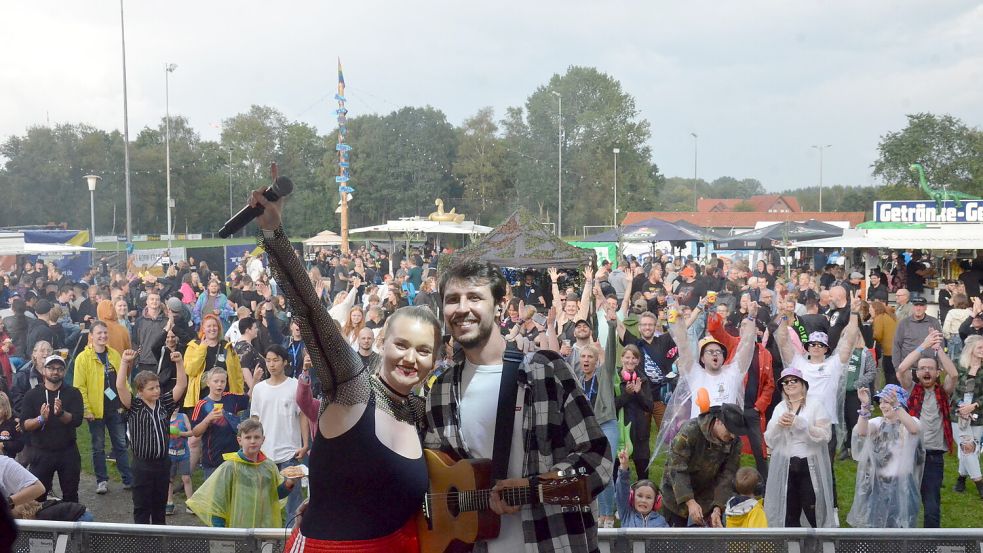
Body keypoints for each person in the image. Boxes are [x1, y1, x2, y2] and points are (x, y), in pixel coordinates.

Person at [255, 189, 440, 552]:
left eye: (423, 351)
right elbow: (310, 311)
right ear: (381, 342)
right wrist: (274, 234)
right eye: (401, 345)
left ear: (434, 360)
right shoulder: (352, 384)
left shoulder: (422, 413)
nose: (410, 359)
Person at [427, 260, 612, 552]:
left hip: (554, 542)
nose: (462, 308)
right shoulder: (441, 392)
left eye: (474, 297)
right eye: (452, 300)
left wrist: (535, 488)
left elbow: (597, 460)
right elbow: (435, 483)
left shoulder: (546, 371)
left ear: (500, 306)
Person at [117, 347, 189, 525]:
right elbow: (120, 386)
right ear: (140, 391)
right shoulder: (134, 406)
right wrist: (124, 362)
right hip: (142, 465)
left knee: (159, 505)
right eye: (151, 388)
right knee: (142, 507)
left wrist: (179, 363)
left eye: (157, 387)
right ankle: (143, 542)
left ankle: (159, 538)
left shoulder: (164, 403)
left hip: (162, 463)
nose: (156, 391)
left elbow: (181, 385)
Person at [894, 329, 957, 528]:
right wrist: (924, 346)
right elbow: (901, 370)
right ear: (918, 373)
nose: (927, 371)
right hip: (910, 453)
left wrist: (938, 350)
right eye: (922, 368)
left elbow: (954, 375)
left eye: (931, 368)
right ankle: (905, 541)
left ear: (937, 373)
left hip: (933, 456)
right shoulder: (911, 389)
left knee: (931, 505)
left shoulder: (943, 392)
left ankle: (931, 543)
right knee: (906, 502)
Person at [187, 418, 299, 528]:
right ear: (240, 440)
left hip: (265, 526)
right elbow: (218, 501)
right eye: (248, 437)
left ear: (263, 439)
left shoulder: (268, 466)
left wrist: (290, 482)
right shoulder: (230, 467)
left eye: (256, 437)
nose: (253, 441)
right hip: (239, 527)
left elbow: (275, 495)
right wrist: (220, 530)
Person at [764, 367, 836, 528]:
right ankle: (793, 545)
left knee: (812, 507)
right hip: (787, 465)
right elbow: (769, 438)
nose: (789, 385)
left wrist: (802, 425)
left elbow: (825, 435)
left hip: (808, 464)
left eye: (793, 381)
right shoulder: (780, 408)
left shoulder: (815, 405)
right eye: (785, 382)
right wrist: (778, 425)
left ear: (802, 383)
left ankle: (818, 544)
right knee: (789, 509)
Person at [249, 344, 309, 525]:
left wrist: (305, 444)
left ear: (285, 362)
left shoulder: (295, 386)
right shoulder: (259, 389)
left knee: (293, 502)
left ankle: (292, 539)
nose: (271, 364)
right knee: (263, 499)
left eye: (276, 360)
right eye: (268, 360)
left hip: (290, 451)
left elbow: (303, 415)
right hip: (265, 453)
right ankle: (266, 538)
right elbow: (254, 419)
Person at [848, 385, 924, 528]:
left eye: (886, 401)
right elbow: (862, 431)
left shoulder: (912, 422)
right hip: (878, 486)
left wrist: (896, 406)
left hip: (904, 488)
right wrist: (864, 407)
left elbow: (913, 429)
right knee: (876, 528)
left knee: (903, 529)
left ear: (899, 402)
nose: (882, 406)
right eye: (881, 402)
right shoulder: (878, 422)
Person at [660, 403, 747, 527]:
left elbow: (728, 475)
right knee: (674, 542)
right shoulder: (691, 430)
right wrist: (689, 501)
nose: (732, 436)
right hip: (676, 497)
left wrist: (718, 507)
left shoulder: (735, 442)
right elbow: (676, 468)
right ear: (718, 421)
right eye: (729, 431)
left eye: (735, 433)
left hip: (706, 499)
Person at [73, 320, 133, 494]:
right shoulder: (82, 358)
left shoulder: (114, 354)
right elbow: (79, 387)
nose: (103, 336)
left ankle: (128, 479)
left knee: (121, 445)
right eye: (99, 333)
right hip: (96, 411)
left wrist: (129, 400)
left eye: (105, 333)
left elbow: (123, 380)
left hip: (116, 408)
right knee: (98, 447)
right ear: (91, 336)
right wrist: (86, 409)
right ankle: (102, 480)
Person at [20, 355, 84, 502]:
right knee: (38, 496)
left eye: (60, 369)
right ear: (44, 371)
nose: (56, 372)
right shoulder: (32, 395)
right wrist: (41, 419)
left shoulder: (73, 393)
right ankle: (41, 524)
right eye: (52, 368)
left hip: (67, 451)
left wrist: (61, 413)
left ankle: (70, 522)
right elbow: (25, 425)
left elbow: (77, 420)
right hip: (41, 453)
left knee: (71, 494)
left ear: (64, 372)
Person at [190, 368, 250, 480]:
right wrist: (208, 419)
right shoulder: (202, 404)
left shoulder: (230, 397)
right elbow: (195, 432)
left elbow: (246, 399)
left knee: (232, 493)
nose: (219, 384)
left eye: (223, 381)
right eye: (216, 381)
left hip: (233, 457)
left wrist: (255, 379)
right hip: (213, 460)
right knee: (213, 495)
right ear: (208, 383)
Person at [952, 335, 983, 497]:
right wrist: (961, 405)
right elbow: (951, 390)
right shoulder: (959, 365)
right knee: (967, 446)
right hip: (958, 413)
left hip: (978, 414)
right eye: (979, 347)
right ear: (971, 349)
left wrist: (974, 405)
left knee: (973, 449)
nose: (982, 350)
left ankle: (961, 478)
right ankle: (980, 484)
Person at [614, 447, 668, 528]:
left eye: (648, 497)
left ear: (656, 501)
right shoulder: (626, 514)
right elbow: (621, 491)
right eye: (639, 496)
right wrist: (624, 467)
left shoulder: (661, 522)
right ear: (632, 497)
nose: (643, 500)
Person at [893, 296, 942, 369]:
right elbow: (896, 345)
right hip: (909, 368)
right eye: (916, 305)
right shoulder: (903, 323)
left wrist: (940, 365)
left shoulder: (934, 322)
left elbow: (940, 344)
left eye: (921, 306)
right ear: (912, 307)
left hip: (929, 368)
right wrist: (897, 367)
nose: (918, 308)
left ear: (926, 307)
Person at [165, 406, 194, 515]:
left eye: (177, 405)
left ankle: (190, 503)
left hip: (183, 454)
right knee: (170, 479)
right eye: (172, 405)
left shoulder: (183, 416)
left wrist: (180, 433)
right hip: (169, 455)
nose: (175, 408)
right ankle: (169, 502)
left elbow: (191, 432)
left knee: (186, 478)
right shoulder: (165, 418)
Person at [871, 300, 899, 386]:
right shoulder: (891, 316)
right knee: (895, 376)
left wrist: (871, 335)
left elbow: (878, 335)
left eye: (870, 309)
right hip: (897, 350)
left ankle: (889, 394)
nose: (869, 311)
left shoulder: (879, 317)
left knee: (889, 375)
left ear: (875, 309)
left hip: (888, 351)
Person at [0, 392, 24, 459]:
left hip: (8, 460)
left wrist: (4, 445)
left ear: (5, 409)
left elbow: (20, 444)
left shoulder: (12, 424)